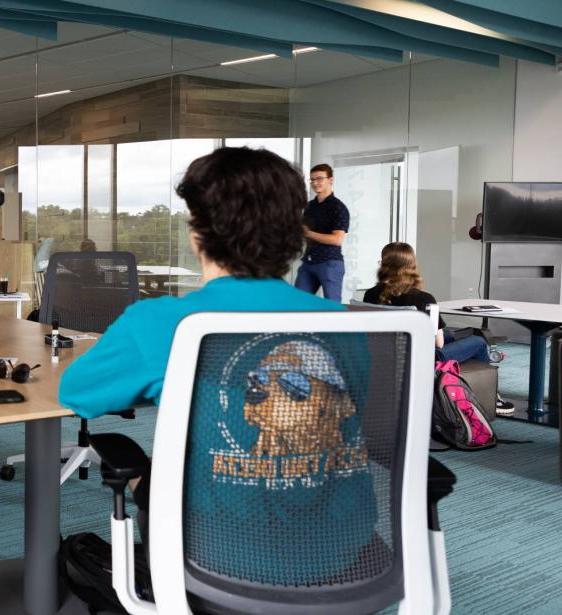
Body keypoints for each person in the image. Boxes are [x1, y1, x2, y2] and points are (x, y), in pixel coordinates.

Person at [59, 147, 376, 582]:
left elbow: (76, 394)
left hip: (219, 556)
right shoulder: (342, 324)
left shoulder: (159, 321)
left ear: (196, 234)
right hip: (346, 556)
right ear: (292, 234)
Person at [362, 242, 513, 413]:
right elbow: (438, 344)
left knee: (455, 334)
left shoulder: (370, 294)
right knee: (478, 341)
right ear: (412, 266)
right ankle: (492, 397)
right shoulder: (423, 298)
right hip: (424, 358)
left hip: (385, 353)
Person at [294, 163, 349, 302]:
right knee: (296, 304)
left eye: (319, 178)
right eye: (312, 179)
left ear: (331, 180)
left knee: (332, 308)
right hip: (309, 262)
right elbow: (303, 232)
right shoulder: (309, 207)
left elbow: (337, 239)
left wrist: (308, 233)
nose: (315, 183)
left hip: (329, 263)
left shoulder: (338, 207)